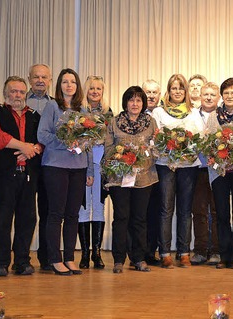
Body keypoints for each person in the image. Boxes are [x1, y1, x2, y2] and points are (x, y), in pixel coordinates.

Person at [0, 76, 42, 276]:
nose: (17, 95)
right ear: (5, 93)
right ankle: (1, 262)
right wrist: (23, 146)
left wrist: (33, 148)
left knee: (27, 220)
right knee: (3, 219)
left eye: (21, 92)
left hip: (29, 175)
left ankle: (22, 261)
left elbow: (41, 139)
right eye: (13, 91)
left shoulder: (34, 115)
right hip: (4, 176)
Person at [37, 68, 92, 276]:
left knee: (73, 214)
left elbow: (87, 141)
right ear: (58, 85)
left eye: (73, 82)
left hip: (78, 168)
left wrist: (89, 170)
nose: (69, 85)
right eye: (65, 82)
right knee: (55, 214)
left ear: (77, 86)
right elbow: (42, 134)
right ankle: (54, 259)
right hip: (55, 166)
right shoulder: (52, 106)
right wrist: (65, 142)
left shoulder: (83, 111)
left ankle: (69, 257)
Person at [152, 74, 204, 268]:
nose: (177, 92)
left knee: (185, 210)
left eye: (181, 88)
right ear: (169, 90)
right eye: (174, 88)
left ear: (186, 92)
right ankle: (165, 252)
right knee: (166, 209)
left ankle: (184, 252)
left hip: (188, 166)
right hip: (166, 165)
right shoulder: (158, 112)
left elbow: (200, 137)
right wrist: (169, 148)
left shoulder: (193, 112)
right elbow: (155, 138)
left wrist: (185, 148)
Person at [107, 86, 159, 273]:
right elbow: (108, 149)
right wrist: (121, 158)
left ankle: (138, 258)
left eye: (138, 100)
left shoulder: (151, 122)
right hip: (119, 178)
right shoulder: (114, 122)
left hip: (144, 177)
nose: (135, 104)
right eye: (131, 100)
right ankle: (118, 259)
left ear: (143, 103)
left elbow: (156, 148)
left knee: (139, 219)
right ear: (125, 102)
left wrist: (144, 157)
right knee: (121, 217)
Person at [204, 78, 233, 269]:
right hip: (218, 172)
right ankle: (223, 255)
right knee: (221, 214)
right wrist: (217, 156)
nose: (230, 96)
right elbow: (209, 143)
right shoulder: (214, 117)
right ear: (222, 95)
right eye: (227, 92)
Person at [77, 76, 112, 269]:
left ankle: (96, 254)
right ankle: (84, 254)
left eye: (99, 88)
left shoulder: (109, 113)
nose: (95, 92)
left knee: (98, 207)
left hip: (102, 165)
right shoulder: (78, 112)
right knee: (83, 207)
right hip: (83, 162)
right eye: (92, 88)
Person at [27, 63, 54, 270]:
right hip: (24, 163)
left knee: (47, 212)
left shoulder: (55, 104)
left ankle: (46, 259)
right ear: (30, 79)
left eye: (44, 77)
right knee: (25, 213)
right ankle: (21, 259)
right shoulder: (18, 100)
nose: (40, 81)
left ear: (50, 81)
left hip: (48, 164)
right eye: (36, 77)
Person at [191, 81, 220, 265]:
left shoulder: (223, 115)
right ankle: (200, 250)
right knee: (199, 210)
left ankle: (216, 250)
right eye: (205, 94)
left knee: (217, 211)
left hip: (218, 168)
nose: (209, 98)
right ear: (200, 96)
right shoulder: (192, 115)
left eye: (212, 95)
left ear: (218, 98)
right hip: (198, 168)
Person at [141, 78, 162, 265]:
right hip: (138, 171)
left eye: (154, 92)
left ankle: (151, 251)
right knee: (139, 213)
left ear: (160, 95)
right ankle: (137, 253)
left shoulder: (164, 113)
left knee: (155, 212)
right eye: (148, 92)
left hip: (158, 170)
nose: (151, 96)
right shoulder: (133, 113)